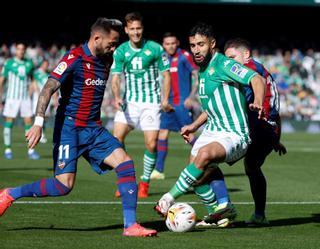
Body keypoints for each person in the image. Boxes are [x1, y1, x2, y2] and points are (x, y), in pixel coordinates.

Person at [0, 18, 157, 237]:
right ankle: (10, 194)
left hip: (94, 129)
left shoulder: (107, 58)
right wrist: (38, 122)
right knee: (63, 186)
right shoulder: (73, 58)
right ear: (96, 38)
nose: (114, 47)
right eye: (112, 42)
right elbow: (48, 88)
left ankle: (130, 225)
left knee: (126, 163)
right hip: (69, 129)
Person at [154, 23, 266, 223]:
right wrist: (194, 126)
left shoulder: (224, 64)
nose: (196, 50)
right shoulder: (203, 69)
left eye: (201, 44)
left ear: (212, 43)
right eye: (193, 45)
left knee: (203, 156)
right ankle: (221, 213)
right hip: (212, 131)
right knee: (195, 174)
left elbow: (257, 79)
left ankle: (167, 199)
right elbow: (212, 107)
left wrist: (258, 101)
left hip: (234, 133)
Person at [224, 38, 286, 225]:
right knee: (251, 166)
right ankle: (258, 215)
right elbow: (276, 111)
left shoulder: (250, 69)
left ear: (246, 55)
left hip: (260, 127)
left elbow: (242, 101)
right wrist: (275, 138)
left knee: (211, 159)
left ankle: (219, 209)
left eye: (232, 57)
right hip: (266, 128)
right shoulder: (259, 69)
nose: (230, 63)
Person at [111, 12, 172, 198]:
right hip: (129, 102)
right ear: (126, 30)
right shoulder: (121, 51)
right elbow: (115, 77)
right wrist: (116, 97)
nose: (136, 32)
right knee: (116, 140)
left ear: (142, 29)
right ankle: (126, 179)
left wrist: (165, 99)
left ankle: (144, 183)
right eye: (132, 29)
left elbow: (166, 74)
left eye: (139, 28)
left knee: (151, 144)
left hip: (151, 103)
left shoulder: (155, 48)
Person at [150, 32, 198, 180]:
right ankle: (158, 170)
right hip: (167, 103)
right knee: (162, 134)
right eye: (167, 44)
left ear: (177, 43)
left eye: (172, 43)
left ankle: (205, 158)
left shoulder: (184, 55)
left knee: (187, 134)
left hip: (182, 103)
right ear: (163, 45)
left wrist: (191, 97)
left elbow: (196, 74)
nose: (170, 46)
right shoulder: (162, 58)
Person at [0, 42, 40, 160]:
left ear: (25, 50)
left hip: (25, 98)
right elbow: (2, 80)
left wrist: (35, 91)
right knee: (9, 121)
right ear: (15, 50)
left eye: (23, 49)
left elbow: (33, 80)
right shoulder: (9, 63)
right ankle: (8, 149)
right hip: (12, 98)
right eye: (19, 49)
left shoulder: (29, 63)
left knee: (28, 122)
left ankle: (31, 150)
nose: (21, 51)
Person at [31, 59, 58, 143]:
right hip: (38, 98)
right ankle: (37, 133)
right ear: (42, 64)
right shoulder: (37, 73)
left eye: (47, 64)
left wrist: (55, 99)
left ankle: (41, 132)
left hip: (47, 98)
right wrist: (36, 91)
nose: (46, 66)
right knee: (39, 115)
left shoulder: (48, 75)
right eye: (45, 64)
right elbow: (34, 83)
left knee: (45, 117)